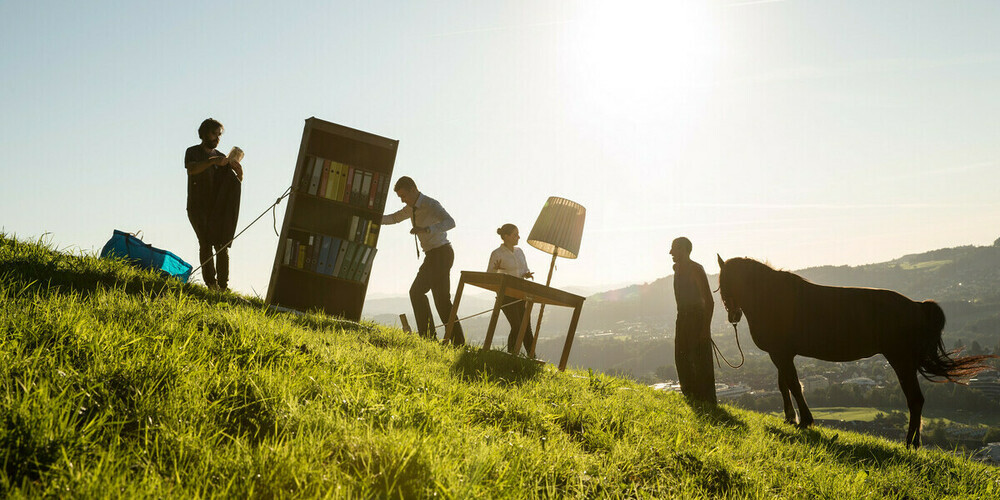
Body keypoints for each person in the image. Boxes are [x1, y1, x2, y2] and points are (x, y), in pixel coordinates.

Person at [381, 176, 465, 345]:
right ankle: (458, 343)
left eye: (404, 196)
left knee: (416, 292)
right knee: (442, 301)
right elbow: (393, 218)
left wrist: (427, 229)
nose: (403, 200)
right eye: (400, 198)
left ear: (413, 189)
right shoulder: (409, 208)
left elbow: (451, 222)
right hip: (434, 255)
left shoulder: (430, 204)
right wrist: (372, 217)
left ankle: (428, 337)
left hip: (441, 254)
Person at [184, 118, 243, 291]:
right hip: (197, 206)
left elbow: (230, 184)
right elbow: (192, 169)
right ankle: (211, 284)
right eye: (213, 133)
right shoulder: (193, 152)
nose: (217, 138)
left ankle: (223, 287)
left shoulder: (222, 157)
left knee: (222, 245)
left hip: (216, 208)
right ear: (203, 133)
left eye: (219, 135)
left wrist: (239, 174)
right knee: (205, 242)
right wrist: (212, 162)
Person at [670, 236, 717, 405]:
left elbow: (709, 301)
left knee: (701, 363)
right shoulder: (678, 269)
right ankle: (691, 398)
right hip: (681, 319)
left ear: (683, 249)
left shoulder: (696, 269)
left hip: (696, 321)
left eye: (674, 249)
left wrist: (705, 329)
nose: (670, 252)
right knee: (681, 359)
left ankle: (707, 402)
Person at [487, 223, 536, 356]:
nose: (518, 237)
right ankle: (511, 356)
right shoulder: (497, 254)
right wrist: (496, 270)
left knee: (526, 327)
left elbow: (524, 269)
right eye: (515, 235)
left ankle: (532, 357)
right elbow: (489, 276)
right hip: (506, 295)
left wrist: (526, 274)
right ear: (506, 236)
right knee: (517, 326)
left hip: (521, 294)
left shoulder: (520, 252)